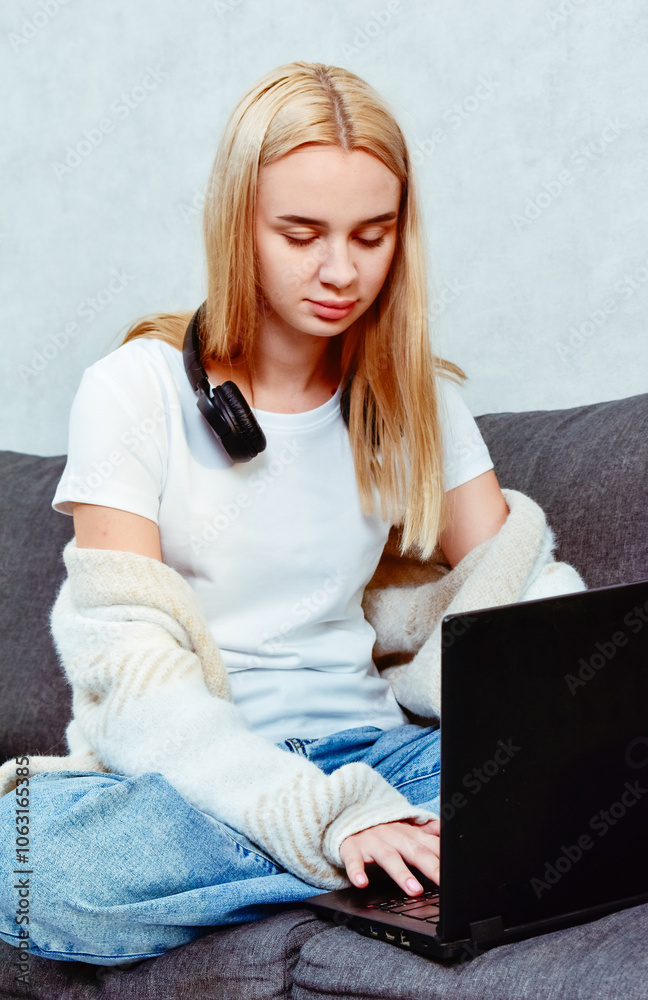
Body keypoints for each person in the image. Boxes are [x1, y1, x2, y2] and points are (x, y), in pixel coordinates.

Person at [0, 61, 551, 967]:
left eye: (371, 236)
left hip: (379, 753)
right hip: (191, 778)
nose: (341, 271)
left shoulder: (419, 401)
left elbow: (519, 601)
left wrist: (592, 730)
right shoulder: (130, 391)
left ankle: (380, 854)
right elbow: (134, 680)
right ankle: (376, 859)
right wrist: (327, 820)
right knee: (30, 865)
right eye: (300, 234)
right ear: (237, 227)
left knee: (590, 791)